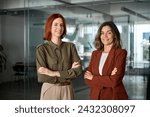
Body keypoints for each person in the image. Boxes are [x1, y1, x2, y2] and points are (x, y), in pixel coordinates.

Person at [36, 13, 82, 100]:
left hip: (67, 89)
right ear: (49, 27)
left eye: (61, 25)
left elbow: (78, 71)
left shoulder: (70, 47)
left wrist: (52, 73)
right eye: (56, 24)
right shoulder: (42, 49)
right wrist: (69, 74)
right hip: (49, 89)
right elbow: (42, 77)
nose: (59, 28)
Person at [84, 21, 128, 100]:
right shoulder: (95, 54)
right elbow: (87, 80)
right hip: (96, 97)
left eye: (109, 33)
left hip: (113, 97)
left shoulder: (120, 53)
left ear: (114, 35)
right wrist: (108, 78)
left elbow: (114, 81)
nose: (105, 36)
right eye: (102, 33)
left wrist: (93, 77)